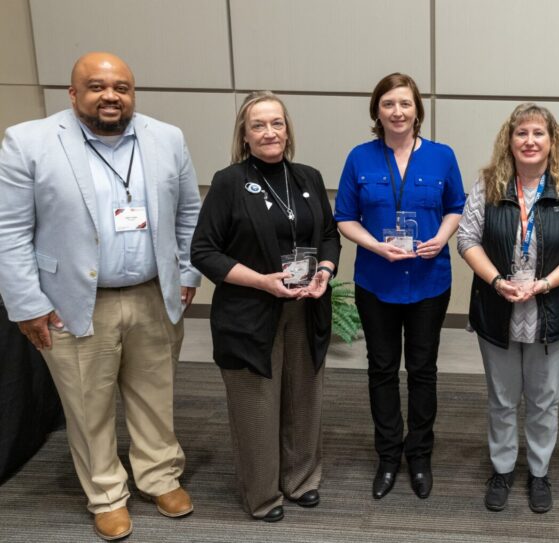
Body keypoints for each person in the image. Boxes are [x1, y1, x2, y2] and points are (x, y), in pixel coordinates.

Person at [0, 52, 200, 541]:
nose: (110, 96)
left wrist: (188, 272)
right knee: (87, 405)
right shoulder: (29, 142)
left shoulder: (166, 138)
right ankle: (107, 493)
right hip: (73, 301)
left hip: (154, 295)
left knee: (155, 394)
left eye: (121, 87)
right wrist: (27, 304)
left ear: (133, 93)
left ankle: (158, 475)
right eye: (96, 86)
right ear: (73, 94)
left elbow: (190, 213)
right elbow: (9, 229)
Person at [191, 91, 339, 522]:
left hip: (305, 307)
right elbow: (204, 251)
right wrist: (260, 281)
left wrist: (324, 271)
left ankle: (300, 479)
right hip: (250, 313)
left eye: (277, 123)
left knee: (303, 397)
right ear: (245, 134)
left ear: (287, 129)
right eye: (259, 125)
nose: (270, 132)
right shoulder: (229, 182)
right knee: (256, 405)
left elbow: (329, 233)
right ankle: (262, 495)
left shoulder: (308, 177)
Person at [458, 102, 559, 514]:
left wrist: (544, 284)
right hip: (497, 309)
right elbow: (467, 239)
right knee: (501, 398)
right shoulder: (488, 185)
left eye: (538, 133)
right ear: (510, 140)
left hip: (549, 311)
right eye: (522, 133)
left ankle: (538, 472)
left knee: (543, 398)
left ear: (552, 142)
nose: (530, 141)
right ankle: (502, 469)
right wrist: (498, 282)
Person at [335, 73, 465, 500]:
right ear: (377, 110)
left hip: (429, 281)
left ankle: (420, 455)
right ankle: (389, 455)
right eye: (388, 103)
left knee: (423, 371)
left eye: (405, 104)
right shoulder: (359, 158)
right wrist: (374, 245)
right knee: (382, 370)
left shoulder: (442, 157)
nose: (397, 111)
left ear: (417, 111)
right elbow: (344, 217)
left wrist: (442, 237)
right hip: (377, 280)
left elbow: (456, 208)